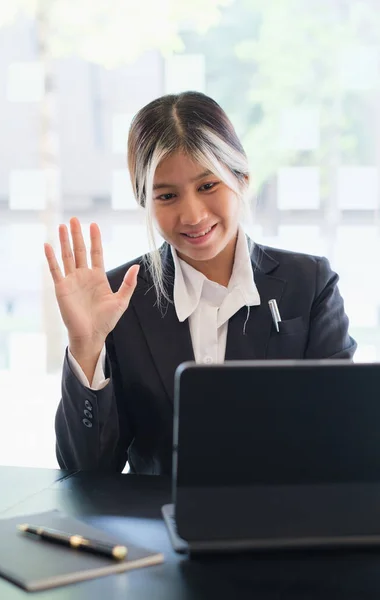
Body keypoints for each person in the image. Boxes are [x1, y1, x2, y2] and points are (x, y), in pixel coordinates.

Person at [45, 91, 357, 475]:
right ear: (146, 201)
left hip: (278, 525)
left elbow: (341, 440)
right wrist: (86, 345)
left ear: (241, 179)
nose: (192, 215)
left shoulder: (309, 284)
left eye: (208, 186)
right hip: (158, 531)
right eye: (167, 195)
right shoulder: (116, 300)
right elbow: (86, 472)